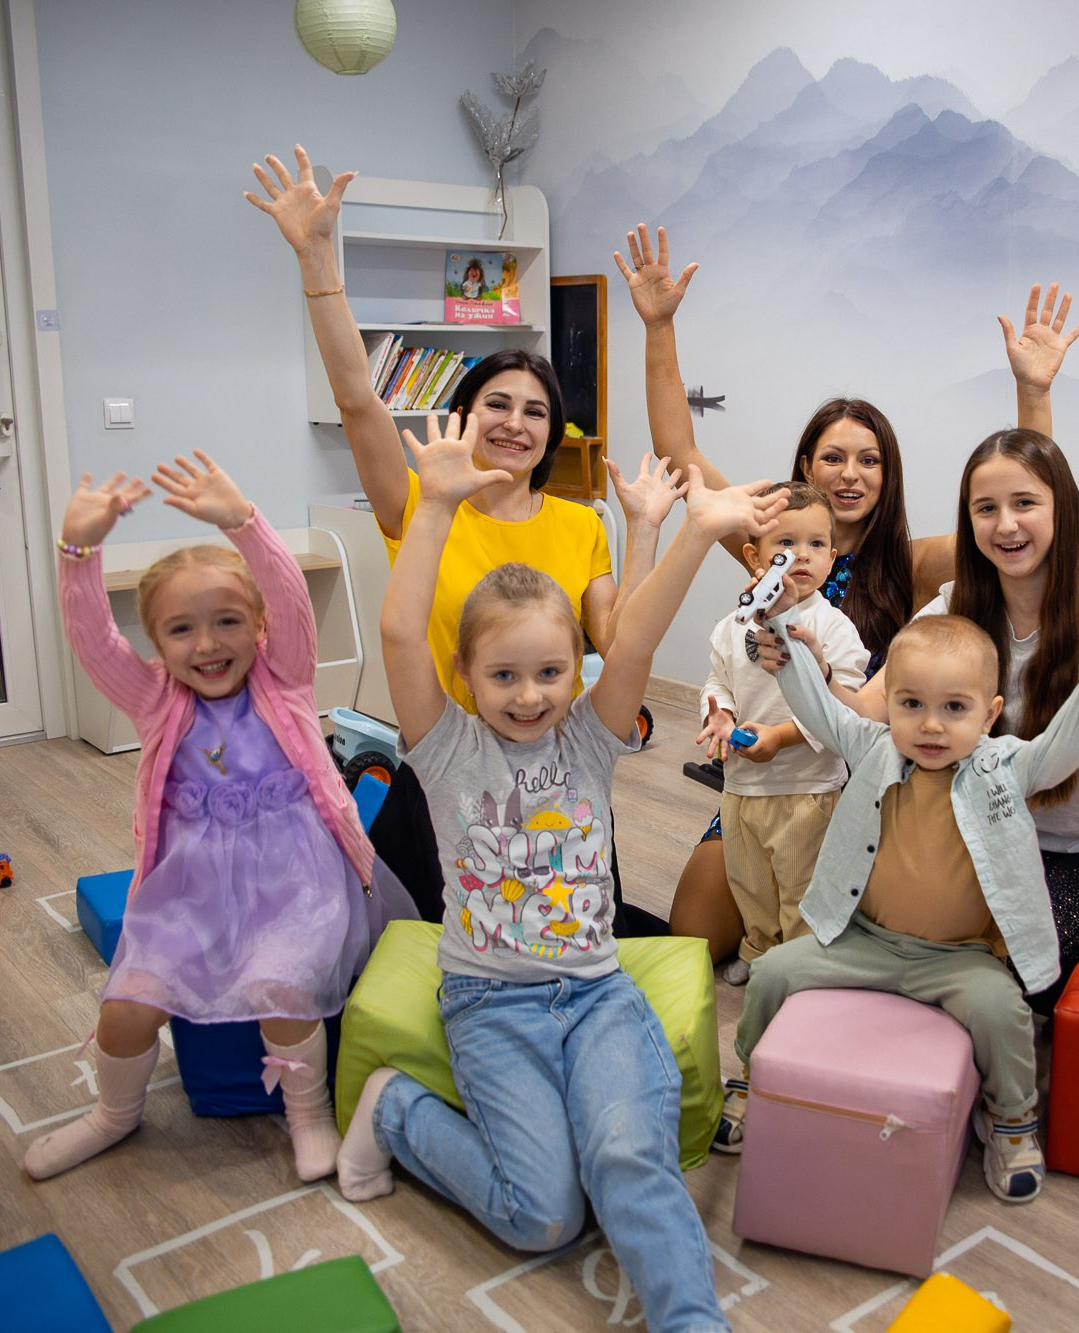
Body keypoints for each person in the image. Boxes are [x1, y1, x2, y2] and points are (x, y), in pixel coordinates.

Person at [337, 408, 784, 1333]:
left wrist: (692, 534)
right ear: (466, 673)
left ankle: (692, 1321)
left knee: (627, 1159)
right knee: (541, 1214)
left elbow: (633, 642)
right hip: (489, 1006)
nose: (531, 694)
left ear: (572, 672)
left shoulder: (586, 737)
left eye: (550, 671)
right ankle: (396, 1112)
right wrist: (434, 508)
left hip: (593, 995)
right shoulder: (444, 748)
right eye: (504, 676)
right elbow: (396, 635)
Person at [614, 223, 1079, 961]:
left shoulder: (913, 561)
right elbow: (681, 459)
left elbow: (1023, 523)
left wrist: (1034, 392)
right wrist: (659, 327)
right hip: (762, 788)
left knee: (826, 939)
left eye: (869, 459)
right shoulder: (771, 540)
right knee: (694, 941)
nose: (850, 473)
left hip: (868, 788)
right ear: (805, 463)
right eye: (832, 456)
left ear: (886, 474)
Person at [249, 147, 681, 933]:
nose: (515, 422)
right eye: (497, 403)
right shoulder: (422, 500)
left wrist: (646, 529)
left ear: (553, 433)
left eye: (536, 411)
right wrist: (318, 262)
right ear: (464, 415)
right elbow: (357, 400)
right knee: (427, 951)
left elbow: (620, 642)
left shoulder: (582, 522)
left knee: (580, 941)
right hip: (446, 767)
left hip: (556, 773)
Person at [28, 451, 419, 1182]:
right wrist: (78, 553)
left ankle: (306, 1118)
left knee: (284, 987)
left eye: (228, 621)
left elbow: (290, 595)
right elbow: (91, 639)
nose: (207, 645)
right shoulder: (153, 699)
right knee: (126, 1003)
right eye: (181, 630)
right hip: (191, 888)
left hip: (295, 878)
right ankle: (114, 1114)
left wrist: (243, 521)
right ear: (155, 642)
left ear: (259, 625)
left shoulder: (286, 678)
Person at [720, 601, 1079, 1202]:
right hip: (864, 943)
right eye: (911, 704)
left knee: (1007, 1015)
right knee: (770, 973)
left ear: (990, 713)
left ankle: (1013, 1120)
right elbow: (817, 706)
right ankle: (747, 1079)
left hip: (959, 958)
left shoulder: (1005, 767)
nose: (930, 726)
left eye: (955, 708)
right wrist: (784, 649)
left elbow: (1064, 742)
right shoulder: (871, 746)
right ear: (889, 700)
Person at [759, 428, 1079, 1012]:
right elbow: (864, 720)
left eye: (1025, 503)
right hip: (972, 838)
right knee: (915, 955)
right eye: (986, 509)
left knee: (1007, 981)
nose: (1006, 525)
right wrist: (812, 669)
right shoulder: (952, 607)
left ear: (1063, 509)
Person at [696, 481, 869, 985]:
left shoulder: (834, 628)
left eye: (816, 545)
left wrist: (781, 737)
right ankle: (758, 946)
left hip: (807, 791)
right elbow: (717, 680)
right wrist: (720, 716)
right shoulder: (732, 625)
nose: (802, 556)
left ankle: (798, 963)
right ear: (755, 557)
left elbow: (847, 706)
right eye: (785, 545)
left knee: (801, 885)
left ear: (832, 558)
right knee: (750, 881)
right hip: (742, 789)